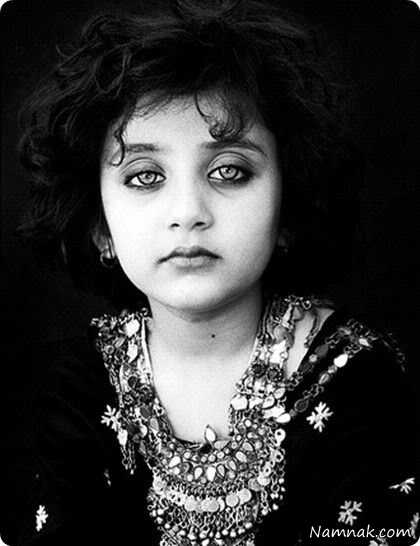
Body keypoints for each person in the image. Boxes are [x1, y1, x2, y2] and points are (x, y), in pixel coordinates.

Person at [2, 1, 418, 545]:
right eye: (145, 177)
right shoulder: (72, 386)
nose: (188, 212)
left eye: (229, 171)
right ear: (99, 226)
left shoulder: (358, 379)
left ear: (289, 206)